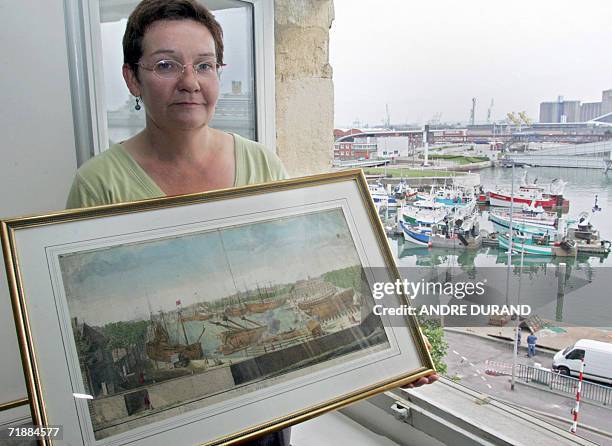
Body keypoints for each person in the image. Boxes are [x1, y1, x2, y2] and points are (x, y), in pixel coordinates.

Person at [65, 1, 437, 444]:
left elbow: (296, 270)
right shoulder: (99, 185)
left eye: (204, 65)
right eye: (166, 65)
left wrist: (389, 361)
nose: (190, 82)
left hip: (264, 417)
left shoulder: (260, 163)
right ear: (133, 79)